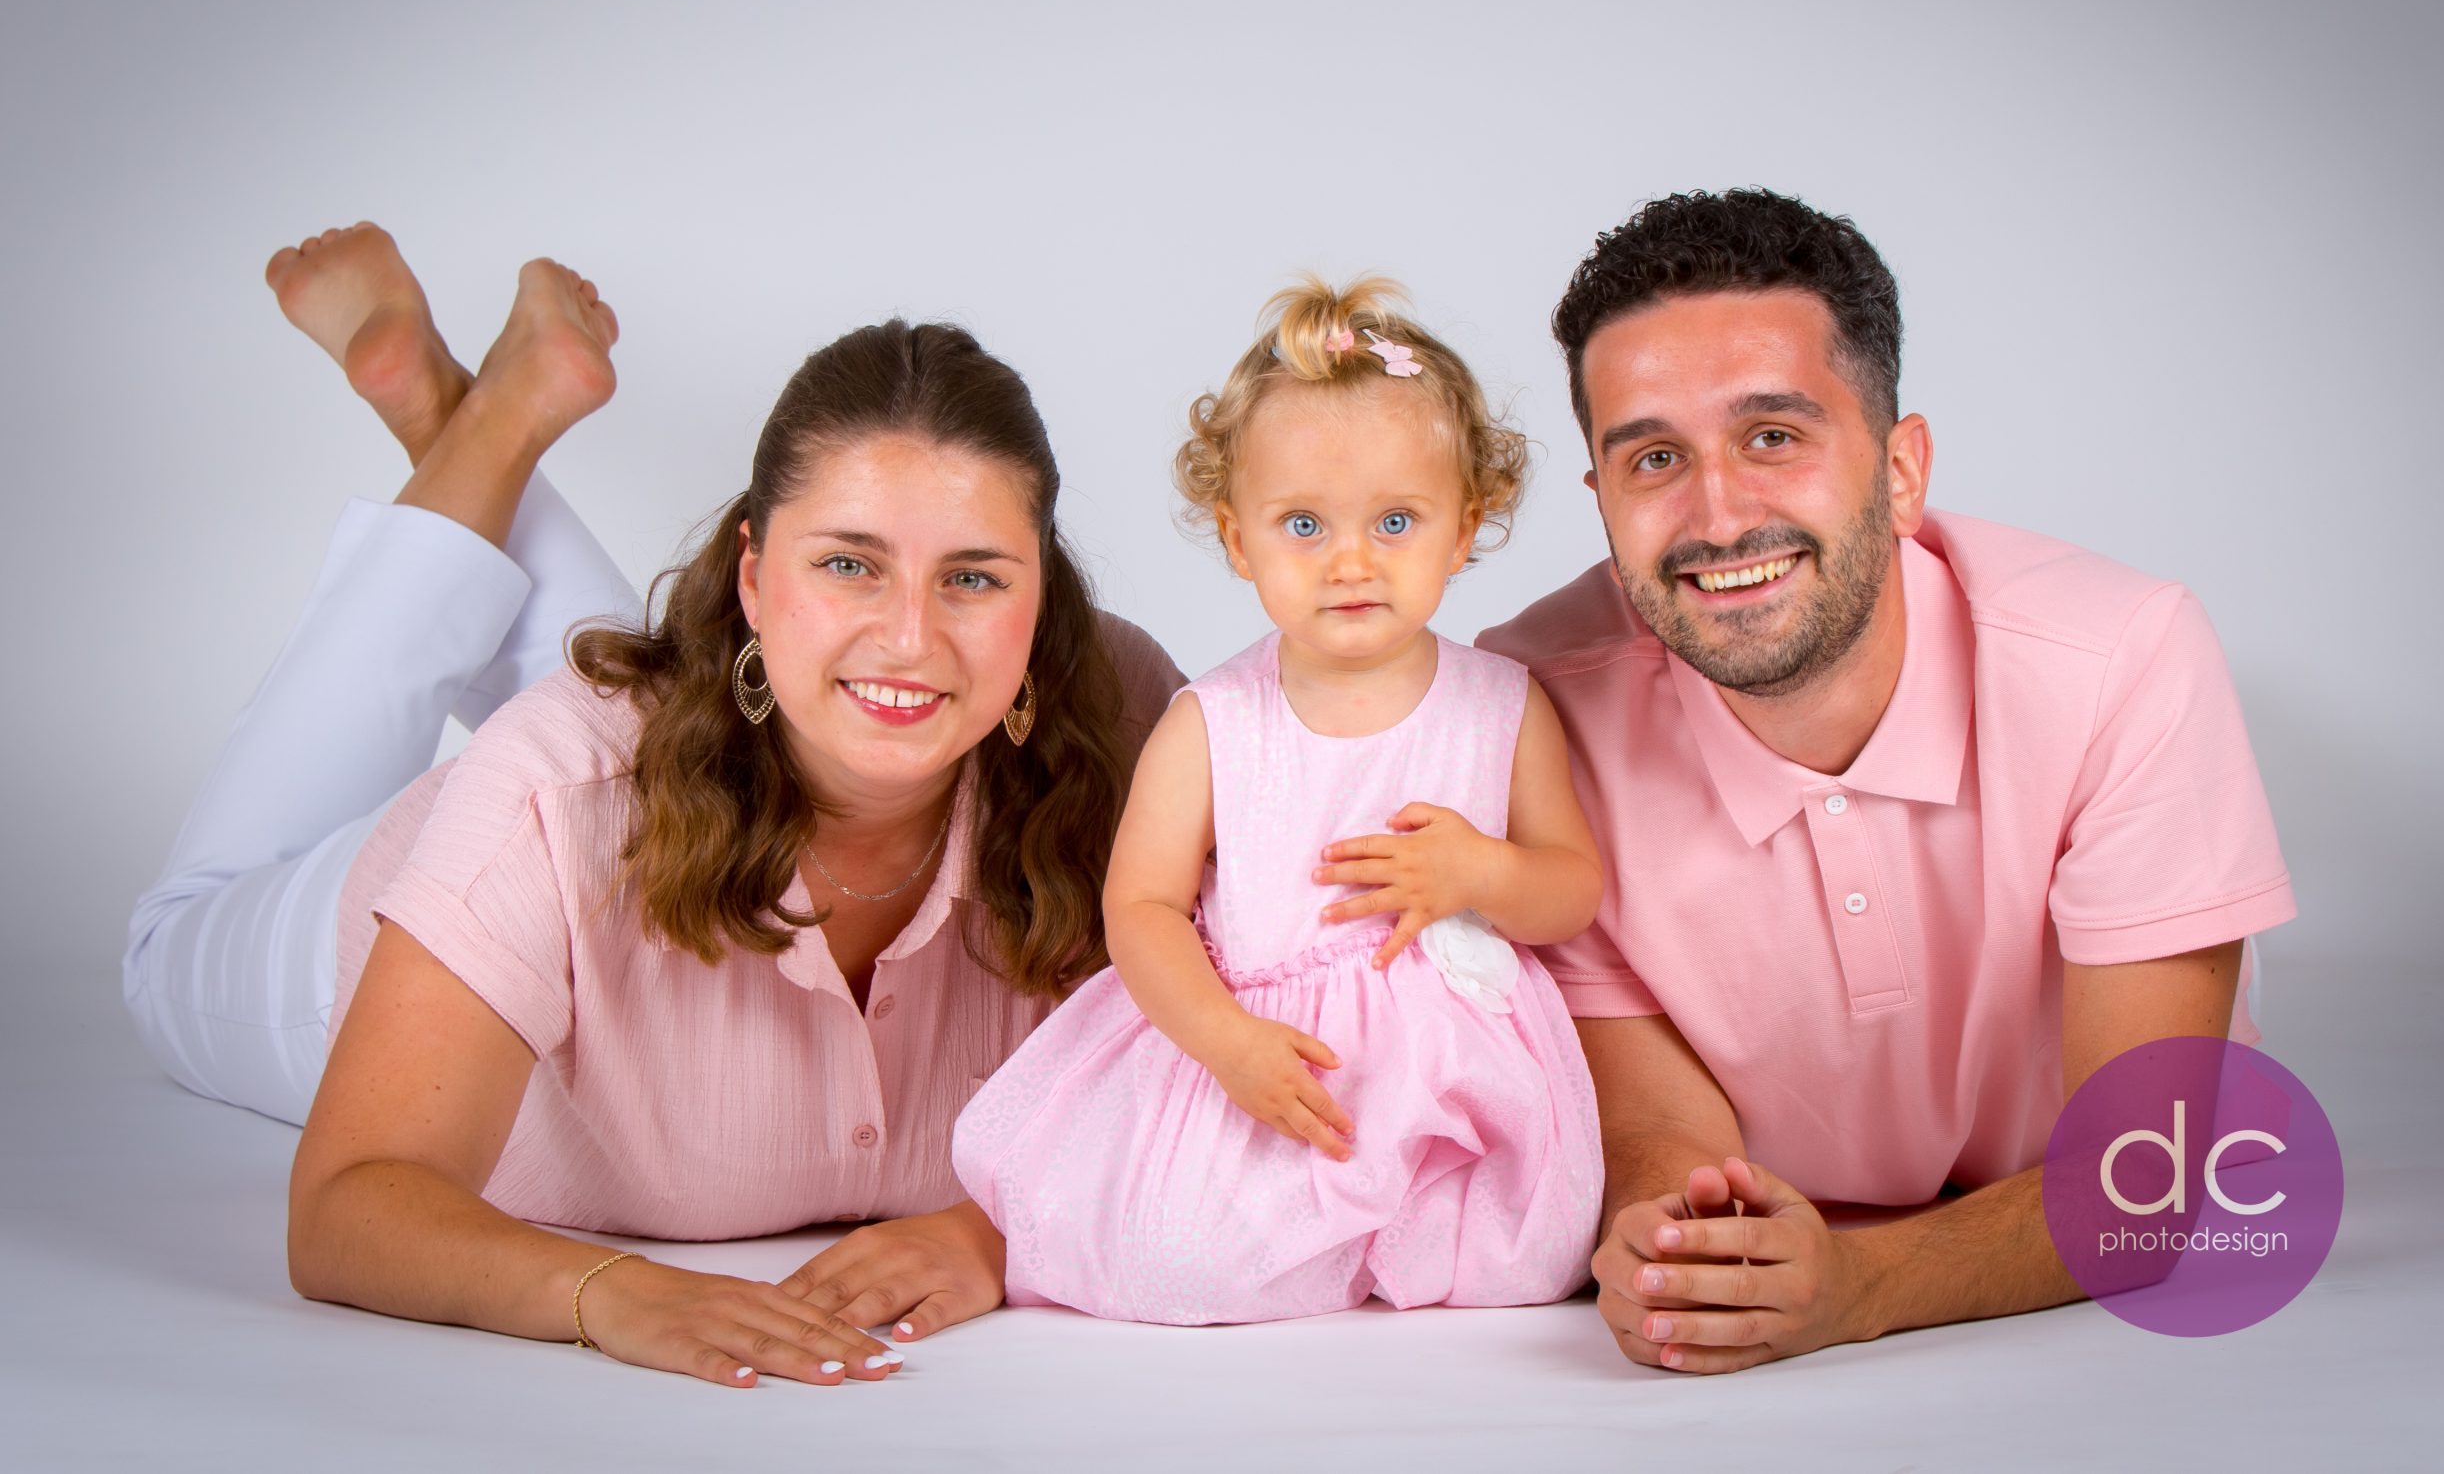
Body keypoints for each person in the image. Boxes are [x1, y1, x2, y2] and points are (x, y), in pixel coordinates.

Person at [125, 223, 1183, 1386]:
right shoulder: (558, 794)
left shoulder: (1131, 730)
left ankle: (470, 416)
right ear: (750, 572)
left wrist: (1007, 1230)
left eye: (974, 577)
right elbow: (346, 1208)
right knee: (172, 937)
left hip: (693, 731)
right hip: (370, 933)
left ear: (1044, 594)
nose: (912, 632)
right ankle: (480, 430)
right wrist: (603, 1294)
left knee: (710, 685)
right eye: (847, 564)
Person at [1477, 189, 2298, 1372]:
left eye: (1774, 435)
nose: (1718, 515)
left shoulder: (2125, 655)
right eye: (1654, 457)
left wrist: (1855, 1289)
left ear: (1902, 470)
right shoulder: (1528, 711)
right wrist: (1687, 1257)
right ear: (1601, 502)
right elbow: (1658, 1135)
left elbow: (2147, 1179)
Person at [953, 276, 1605, 1324]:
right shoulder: (1215, 722)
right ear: (1236, 536)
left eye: (1395, 520)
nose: (1350, 560)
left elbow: (1572, 888)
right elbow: (1142, 910)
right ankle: (1301, 1244)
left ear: (1463, 526)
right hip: (1276, 1054)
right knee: (1181, 1265)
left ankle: (1414, 1243)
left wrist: (1484, 872)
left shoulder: (1499, 702)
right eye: (1302, 523)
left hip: (1453, 1064)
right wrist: (1225, 1042)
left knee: (1529, 1261)